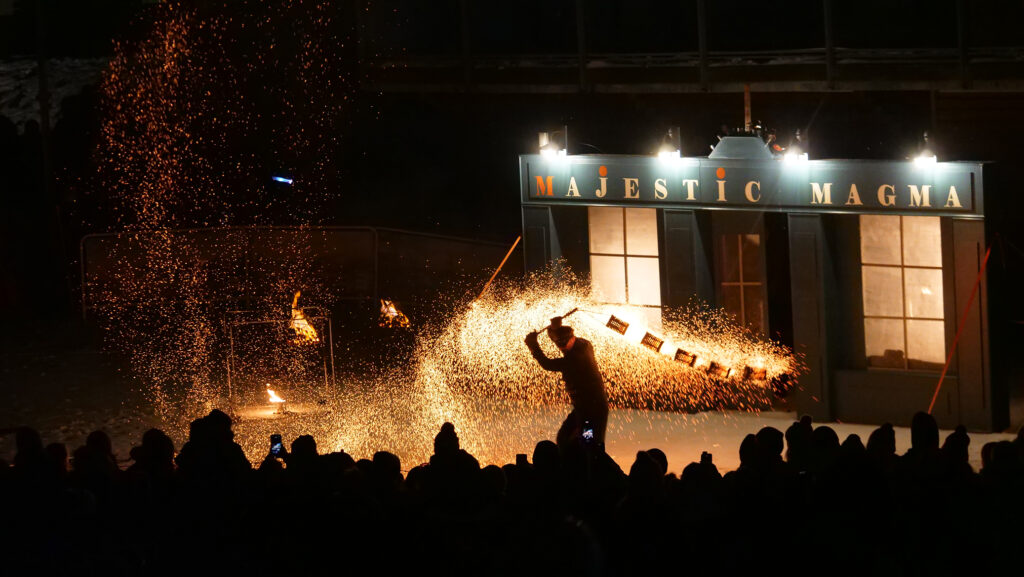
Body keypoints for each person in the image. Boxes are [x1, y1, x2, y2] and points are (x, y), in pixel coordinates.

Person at [525, 316, 609, 449]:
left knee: (590, 444)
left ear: (572, 338)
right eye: (559, 344)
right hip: (582, 409)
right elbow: (558, 338)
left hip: (592, 412)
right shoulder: (583, 344)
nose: (561, 348)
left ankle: (590, 467)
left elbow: (547, 364)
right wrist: (555, 329)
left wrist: (533, 346)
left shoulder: (575, 359)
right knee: (564, 438)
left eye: (564, 344)